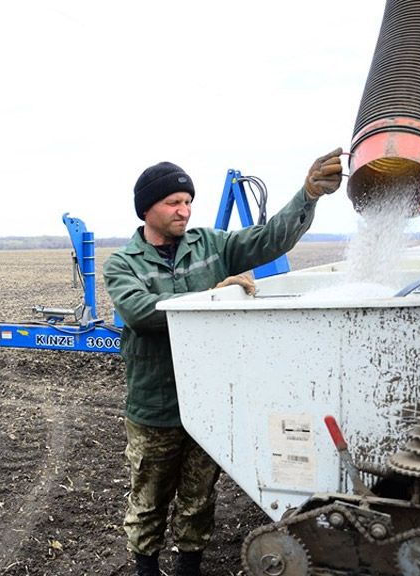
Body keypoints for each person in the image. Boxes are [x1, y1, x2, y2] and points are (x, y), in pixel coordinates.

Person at [103, 150, 343, 576]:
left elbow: (270, 239)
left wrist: (307, 195)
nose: (184, 209)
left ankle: (189, 565)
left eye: (188, 200)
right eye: (173, 203)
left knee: (199, 496)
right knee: (149, 497)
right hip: (156, 404)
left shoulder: (213, 245)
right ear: (147, 209)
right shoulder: (124, 263)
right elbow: (141, 312)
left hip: (210, 400)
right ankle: (145, 567)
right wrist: (213, 297)